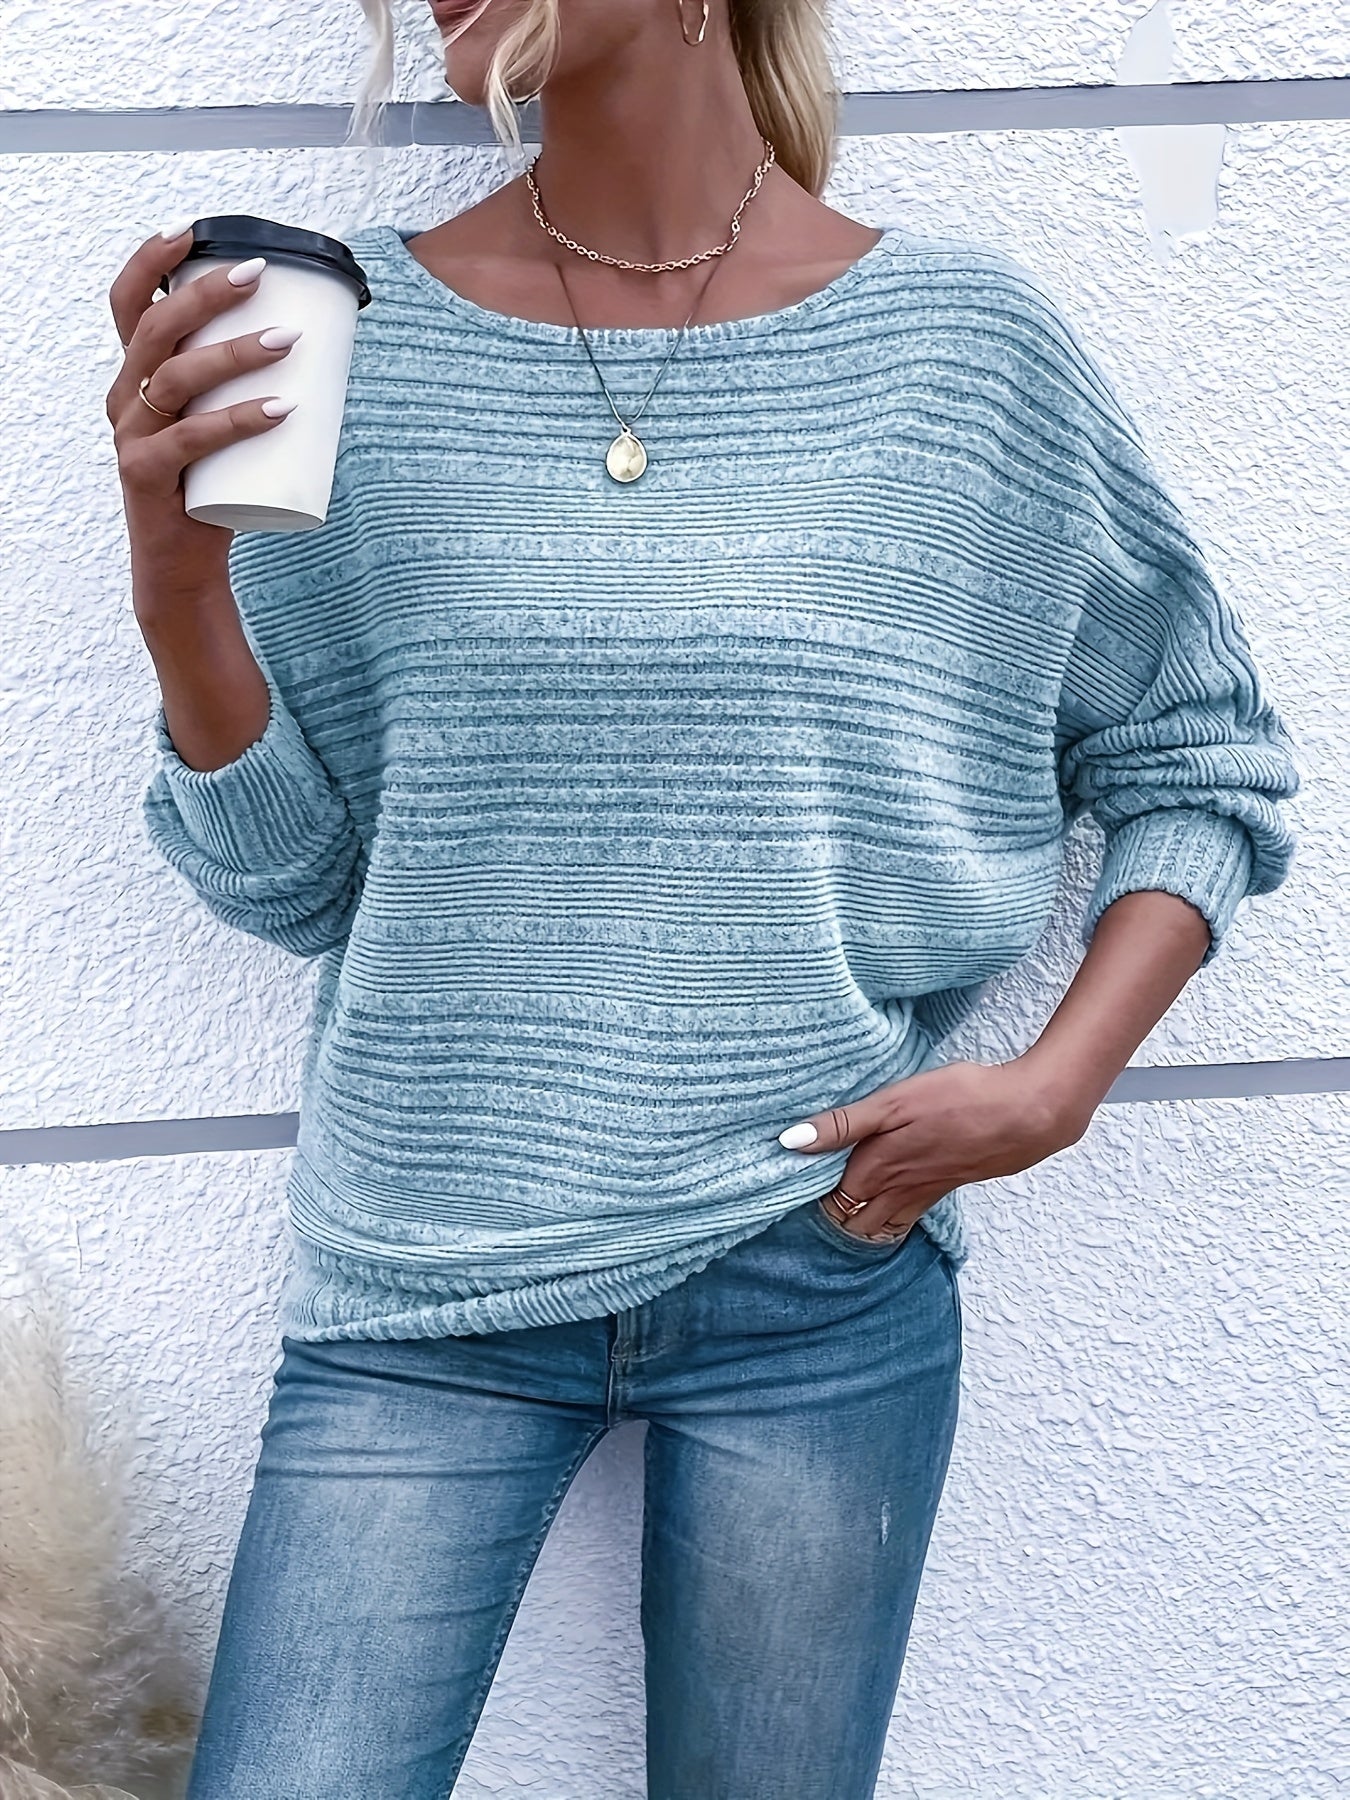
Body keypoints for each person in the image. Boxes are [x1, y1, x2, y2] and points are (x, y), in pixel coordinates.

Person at [104, 0, 1301, 1794]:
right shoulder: (344, 341)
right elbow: (302, 884)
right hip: (425, 1275)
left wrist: (1053, 1087)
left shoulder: (961, 353)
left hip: (817, 1267)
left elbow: (1195, 750)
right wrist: (178, 591)